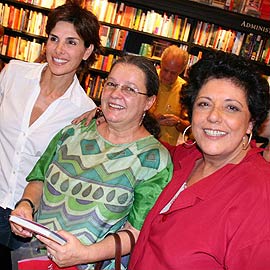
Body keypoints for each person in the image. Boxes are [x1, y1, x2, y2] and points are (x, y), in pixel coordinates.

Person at [10, 55, 173, 270]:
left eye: (130, 89)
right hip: (35, 257)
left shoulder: (153, 160)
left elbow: (136, 232)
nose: (116, 94)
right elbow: (39, 178)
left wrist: (83, 255)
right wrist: (26, 205)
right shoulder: (72, 133)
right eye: (112, 84)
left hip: (89, 265)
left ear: (149, 102)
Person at [128, 51, 270, 270]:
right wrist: (105, 116)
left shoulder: (260, 195)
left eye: (231, 107)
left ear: (251, 122)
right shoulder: (187, 156)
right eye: (204, 104)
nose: (213, 116)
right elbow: (141, 144)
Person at [0, 3, 101, 269]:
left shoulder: (85, 110)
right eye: (54, 39)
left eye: (71, 42)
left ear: (87, 50)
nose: (59, 50)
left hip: (28, 221)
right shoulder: (13, 74)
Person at [150, 45, 190, 145]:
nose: (167, 76)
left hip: (166, 149)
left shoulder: (185, 89)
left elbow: (191, 129)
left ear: (181, 71)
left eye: (173, 73)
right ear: (161, 63)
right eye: (165, 70)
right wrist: (152, 122)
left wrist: (178, 122)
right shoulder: (147, 80)